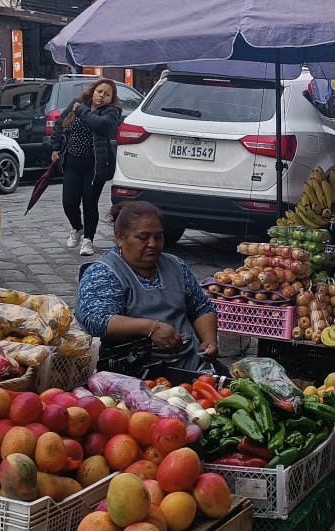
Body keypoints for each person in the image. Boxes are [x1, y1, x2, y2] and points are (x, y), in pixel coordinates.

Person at [77, 201, 218, 371]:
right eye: (143, 237)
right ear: (120, 237)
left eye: (158, 236)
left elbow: (201, 308)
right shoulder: (103, 273)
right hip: (133, 372)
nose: (152, 243)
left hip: (191, 365)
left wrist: (209, 339)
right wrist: (151, 327)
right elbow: (98, 321)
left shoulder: (176, 265)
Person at [51, 79, 122, 256]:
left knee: (90, 203)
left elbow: (99, 124)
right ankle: (77, 228)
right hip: (72, 163)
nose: (102, 96)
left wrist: (81, 110)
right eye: (100, 91)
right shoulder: (75, 105)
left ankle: (88, 240)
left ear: (111, 99)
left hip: (95, 166)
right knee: (69, 202)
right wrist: (55, 148)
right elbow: (59, 125)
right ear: (93, 91)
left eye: (107, 94)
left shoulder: (111, 111)